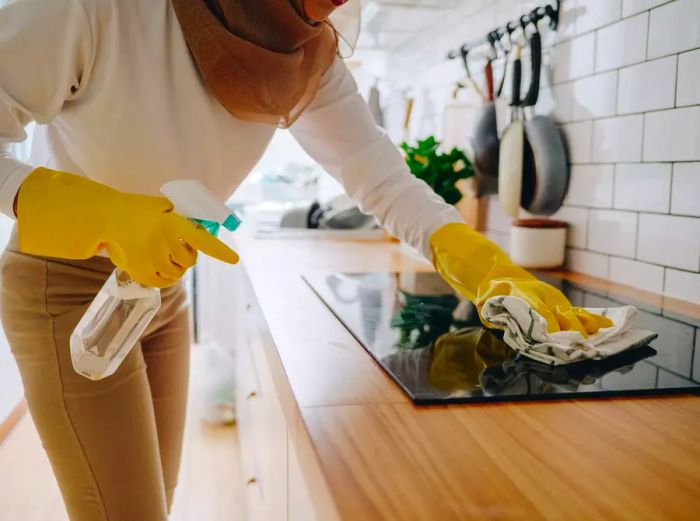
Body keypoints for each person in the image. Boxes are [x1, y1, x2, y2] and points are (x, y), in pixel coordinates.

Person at [0, 1, 611, 520]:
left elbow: (386, 183)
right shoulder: (97, 9)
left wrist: (486, 265)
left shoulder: (308, 52)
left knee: (157, 496)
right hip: (67, 288)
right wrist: (101, 216)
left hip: (161, 287)